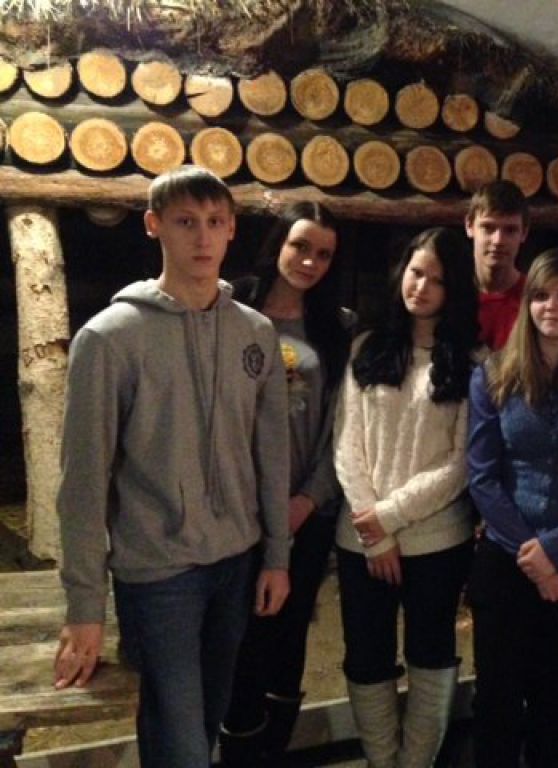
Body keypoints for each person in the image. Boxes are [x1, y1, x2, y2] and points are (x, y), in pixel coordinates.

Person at [52, 166, 290, 768]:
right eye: (185, 222)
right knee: (181, 742)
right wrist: (85, 605)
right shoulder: (110, 339)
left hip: (235, 562)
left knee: (202, 729)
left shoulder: (254, 333)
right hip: (158, 574)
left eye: (214, 221)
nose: (202, 237)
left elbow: (271, 453)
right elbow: (83, 480)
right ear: (153, 225)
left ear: (231, 229)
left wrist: (276, 555)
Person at [334, 227, 480, 768]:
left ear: (454, 288)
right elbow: (347, 443)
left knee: (431, 655)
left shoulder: (473, 360)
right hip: (361, 540)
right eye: (416, 273)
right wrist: (374, 533)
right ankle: (381, 761)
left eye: (437, 280)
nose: (422, 287)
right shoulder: (366, 347)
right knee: (366, 658)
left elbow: (461, 462)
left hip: (437, 540)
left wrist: (389, 517)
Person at [220, 202, 355, 764]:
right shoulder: (231, 307)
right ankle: (238, 749)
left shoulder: (335, 326)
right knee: (241, 637)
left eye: (323, 254)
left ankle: (272, 750)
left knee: (290, 631)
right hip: (237, 508)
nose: (309, 261)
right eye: (301, 246)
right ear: (278, 242)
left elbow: (341, 425)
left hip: (306, 509)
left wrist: (309, 498)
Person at [467, 249, 558, 768]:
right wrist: (535, 555)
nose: (552, 306)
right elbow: (483, 476)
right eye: (542, 295)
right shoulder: (492, 375)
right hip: (506, 561)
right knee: (497, 703)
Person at [465, 180, 530, 350]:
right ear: (469, 226)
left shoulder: (536, 298)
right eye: (488, 228)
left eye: (510, 230)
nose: (498, 240)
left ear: (524, 233)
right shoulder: (448, 293)